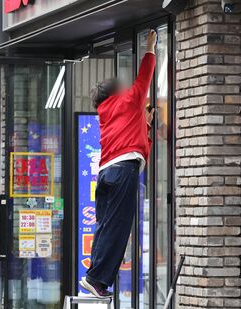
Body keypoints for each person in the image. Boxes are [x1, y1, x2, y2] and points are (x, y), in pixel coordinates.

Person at [80, 30, 157, 298]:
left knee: (104, 225)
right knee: (118, 226)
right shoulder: (129, 99)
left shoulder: (105, 110)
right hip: (123, 170)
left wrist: (145, 127)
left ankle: (95, 276)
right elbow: (145, 74)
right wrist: (150, 46)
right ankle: (97, 279)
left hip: (105, 172)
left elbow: (136, 140)